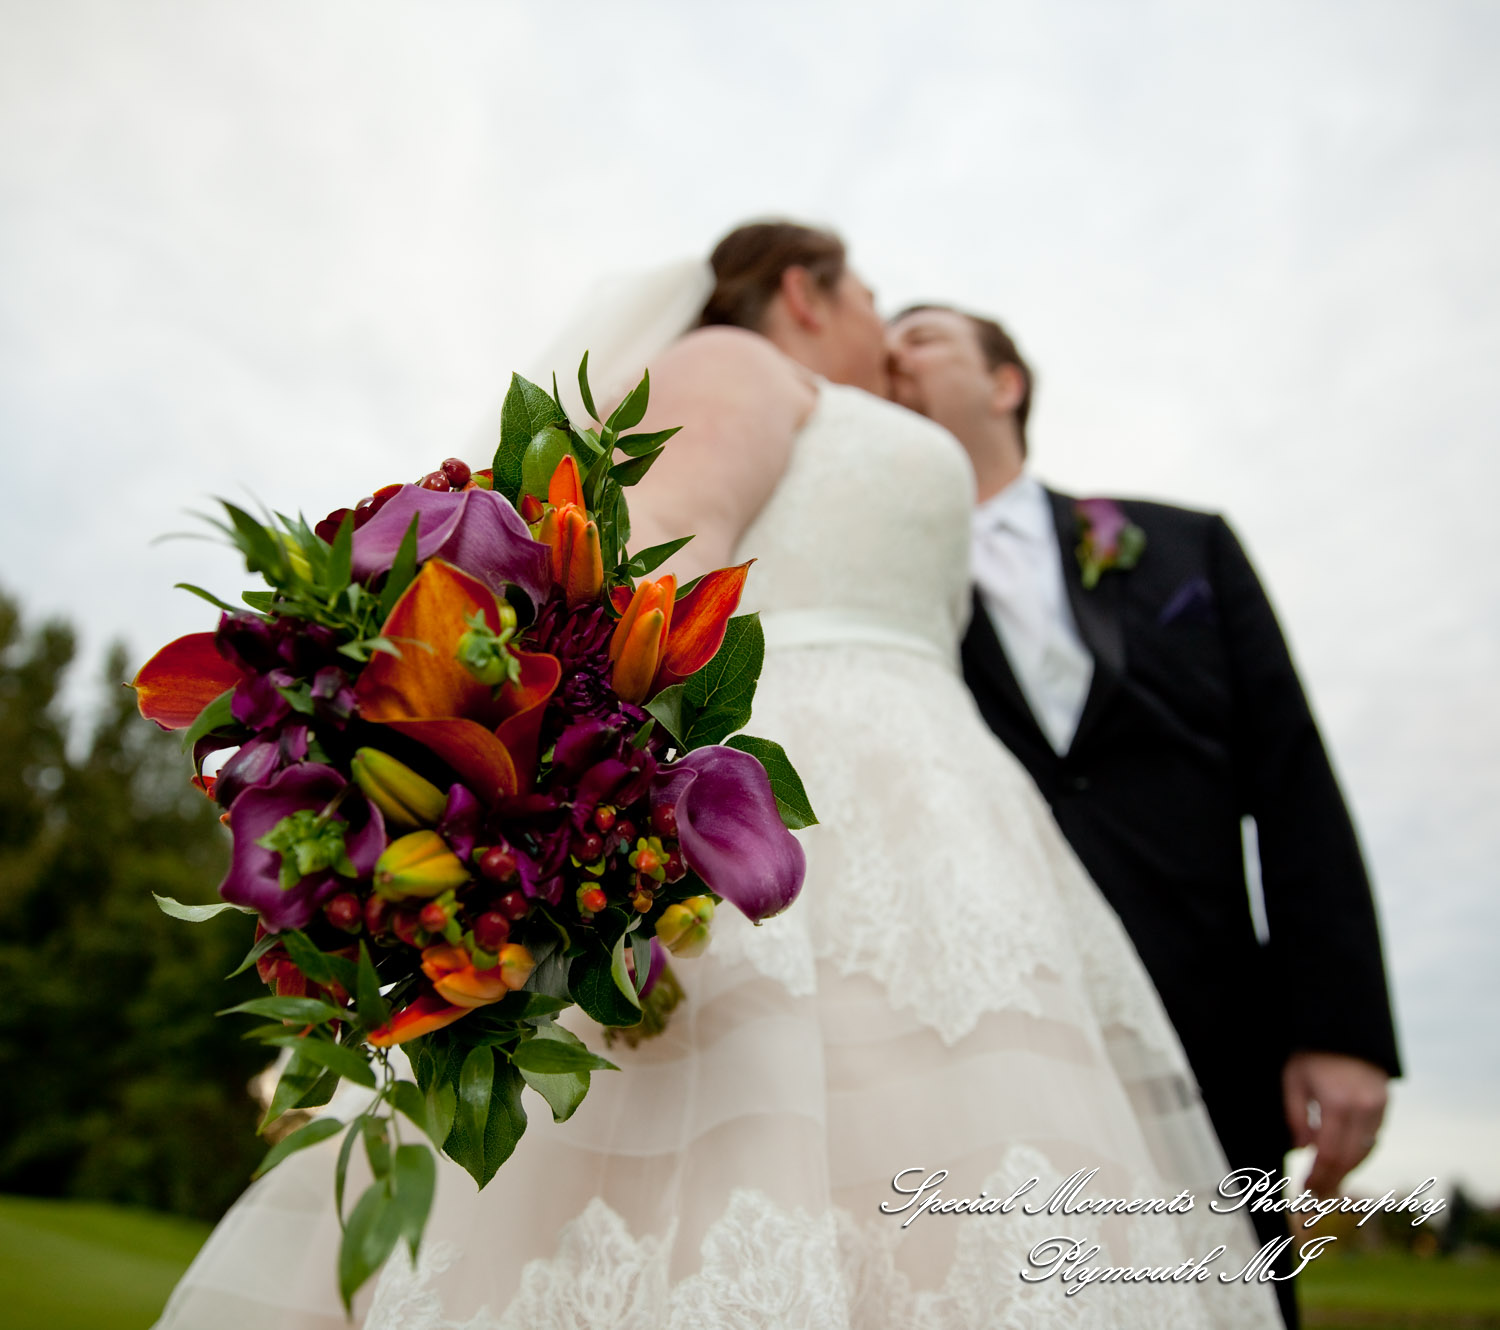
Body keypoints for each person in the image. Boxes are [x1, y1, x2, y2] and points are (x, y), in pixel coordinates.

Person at [153, 226, 1283, 1329]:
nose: (885, 340)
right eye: (869, 302)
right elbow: (671, 529)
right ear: (803, 292)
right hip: (802, 794)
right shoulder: (744, 361)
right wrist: (589, 775)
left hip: (949, 819)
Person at [887, 303, 1403, 1330]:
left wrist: (1341, 1027)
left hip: (1206, 1015)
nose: (893, 354)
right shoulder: (890, 583)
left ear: (1006, 385)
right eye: (883, 345)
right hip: (987, 1026)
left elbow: (1292, 777)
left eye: (925, 335)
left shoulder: (1187, 548)